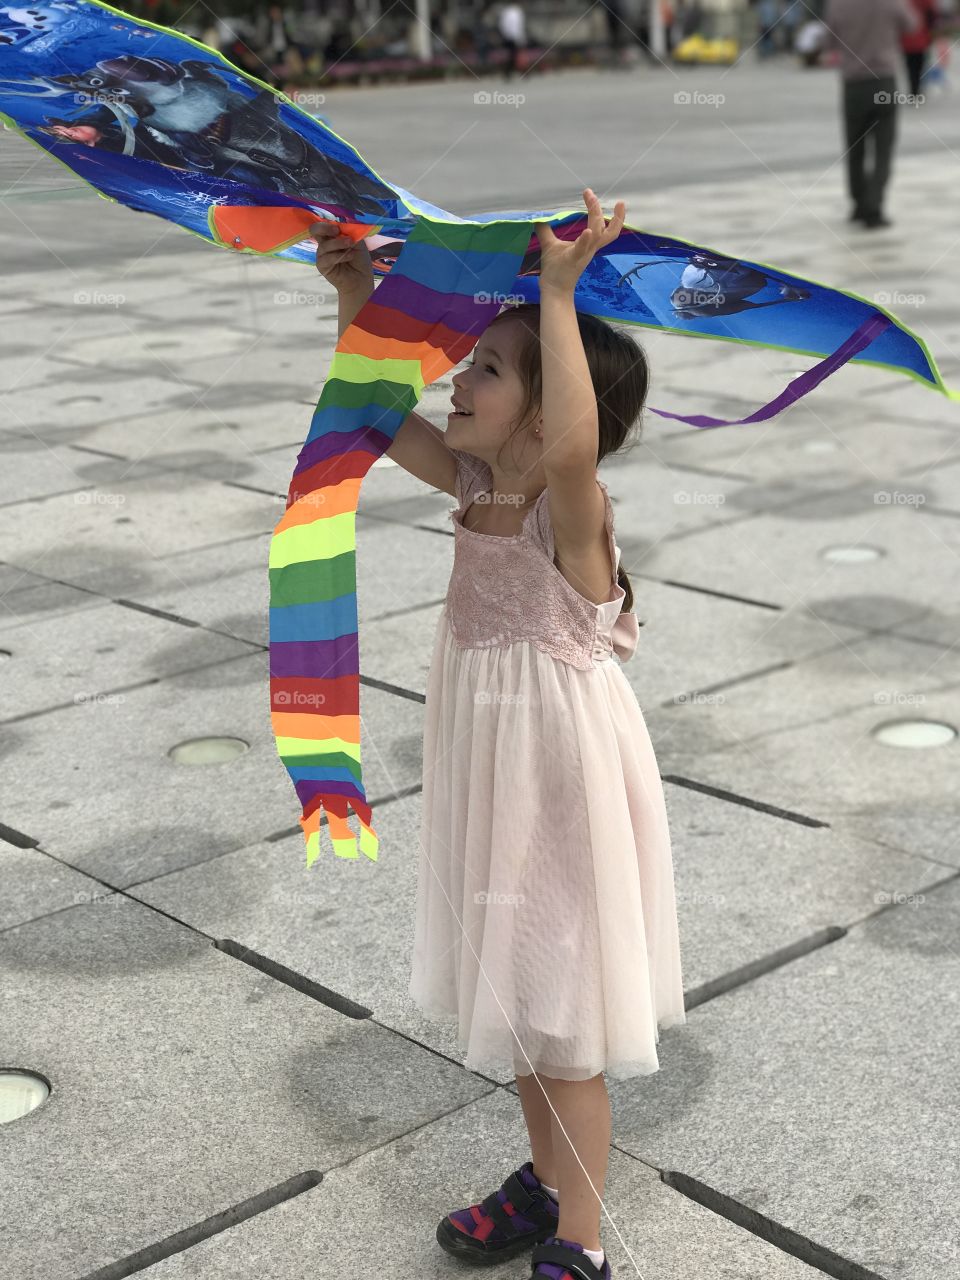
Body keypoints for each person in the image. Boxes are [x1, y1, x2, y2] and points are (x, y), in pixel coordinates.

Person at [309, 198, 686, 1280]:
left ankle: (581, 1239)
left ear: (545, 413)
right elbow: (378, 416)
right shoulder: (480, 484)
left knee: (564, 1016)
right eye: (467, 361)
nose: (457, 381)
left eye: (487, 371)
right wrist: (356, 299)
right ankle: (543, 1176)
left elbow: (573, 445)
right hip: (495, 769)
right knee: (523, 991)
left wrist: (559, 294)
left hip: (560, 778)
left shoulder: (566, 510)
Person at [822, 0, 922, 228]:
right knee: (883, 150)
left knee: (854, 148)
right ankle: (874, 207)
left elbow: (828, 42)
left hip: (854, 84)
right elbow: (912, 25)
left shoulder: (838, 4)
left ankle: (858, 204)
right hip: (883, 81)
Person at [901, 0, 938, 98]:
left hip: (907, 39)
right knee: (919, 65)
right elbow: (932, 16)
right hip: (921, 37)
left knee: (911, 66)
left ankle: (914, 89)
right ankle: (916, 89)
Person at [498, 0, 527, 80]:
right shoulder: (517, 12)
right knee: (515, 55)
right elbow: (517, 26)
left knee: (512, 55)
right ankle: (518, 71)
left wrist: (505, 35)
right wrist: (520, 38)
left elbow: (502, 25)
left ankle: (511, 72)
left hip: (507, 36)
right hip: (514, 37)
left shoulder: (506, 11)